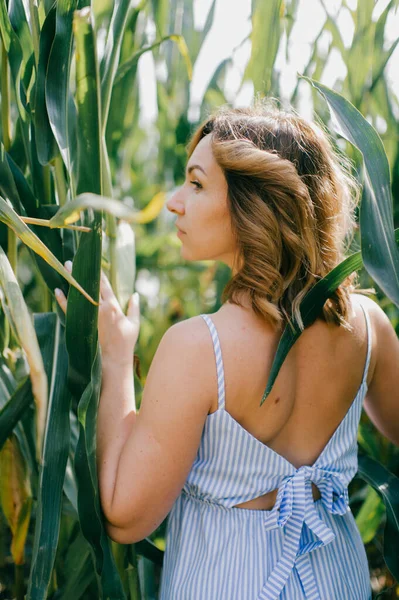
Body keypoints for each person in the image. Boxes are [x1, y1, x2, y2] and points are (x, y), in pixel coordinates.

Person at [55, 99, 399, 600]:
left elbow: (124, 517)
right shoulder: (368, 326)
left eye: (196, 184)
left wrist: (115, 359)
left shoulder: (200, 348)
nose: (174, 201)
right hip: (338, 582)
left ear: (254, 205)